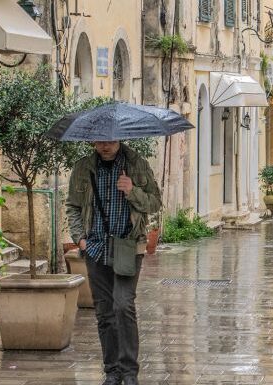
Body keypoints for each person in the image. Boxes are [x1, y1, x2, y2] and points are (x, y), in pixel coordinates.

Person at [65, 141, 162, 385]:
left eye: (109, 141)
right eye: (99, 141)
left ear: (119, 139)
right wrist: (81, 239)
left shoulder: (136, 165)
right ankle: (112, 371)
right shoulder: (83, 168)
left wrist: (132, 191)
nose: (104, 146)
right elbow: (73, 207)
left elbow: (155, 203)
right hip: (96, 248)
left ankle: (129, 372)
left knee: (123, 305)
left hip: (128, 246)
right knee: (105, 313)